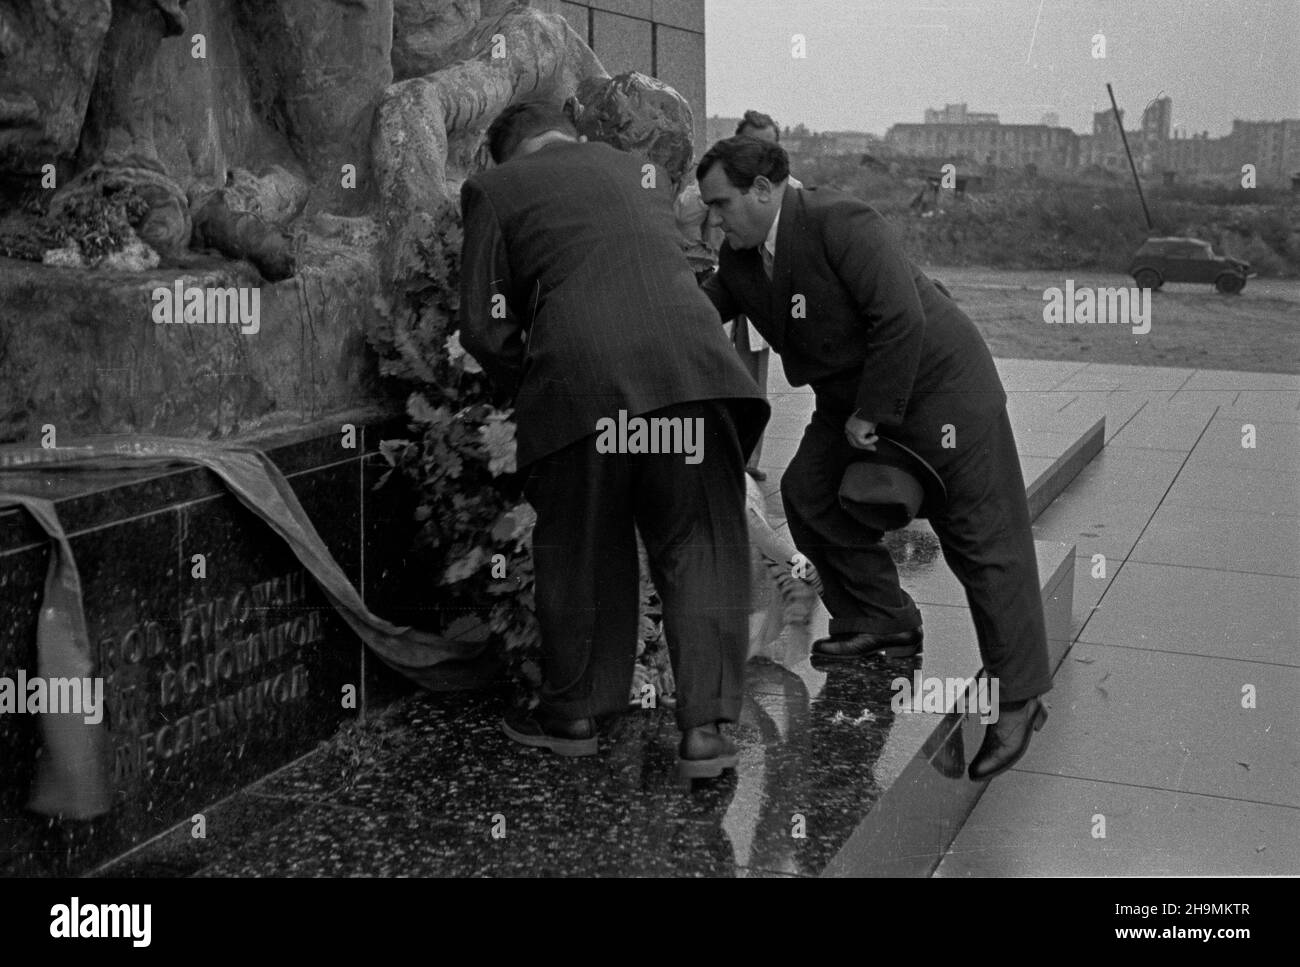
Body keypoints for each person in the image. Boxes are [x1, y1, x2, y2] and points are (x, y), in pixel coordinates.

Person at [697, 136, 1052, 781]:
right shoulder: (742, 259)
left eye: (722, 203)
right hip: (855, 401)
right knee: (808, 491)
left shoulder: (840, 221)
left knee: (982, 542)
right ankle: (881, 619)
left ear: (763, 188)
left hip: (939, 389)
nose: (715, 219)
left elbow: (900, 316)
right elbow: (699, 311)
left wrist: (872, 413)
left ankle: (1020, 699)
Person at [458, 101, 769, 778]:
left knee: (585, 545)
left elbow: (482, 327)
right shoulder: (640, 171)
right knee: (699, 542)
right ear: (571, 137)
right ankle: (709, 731)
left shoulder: (495, 188)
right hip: (692, 376)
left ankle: (576, 715)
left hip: (584, 392)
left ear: (504, 154)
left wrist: (539, 374)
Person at [675, 111, 802, 483]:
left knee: (751, 370)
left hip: (751, 285)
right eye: (753, 145)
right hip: (712, 276)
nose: (717, 218)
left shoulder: (807, 206)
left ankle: (746, 458)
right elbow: (685, 213)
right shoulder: (717, 189)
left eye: (768, 146)